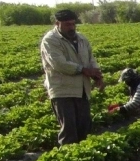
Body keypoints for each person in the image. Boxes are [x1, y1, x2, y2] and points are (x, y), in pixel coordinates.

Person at [40, 9, 104, 146]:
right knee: (69, 129)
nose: (72, 28)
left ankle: (84, 158)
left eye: (73, 24)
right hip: (62, 90)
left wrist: (97, 74)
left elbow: (90, 58)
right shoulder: (50, 40)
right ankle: (70, 159)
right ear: (57, 23)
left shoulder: (81, 38)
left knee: (84, 127)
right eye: (68, 25)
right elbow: (59, 64)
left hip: (82, 89)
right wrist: (84, 70)